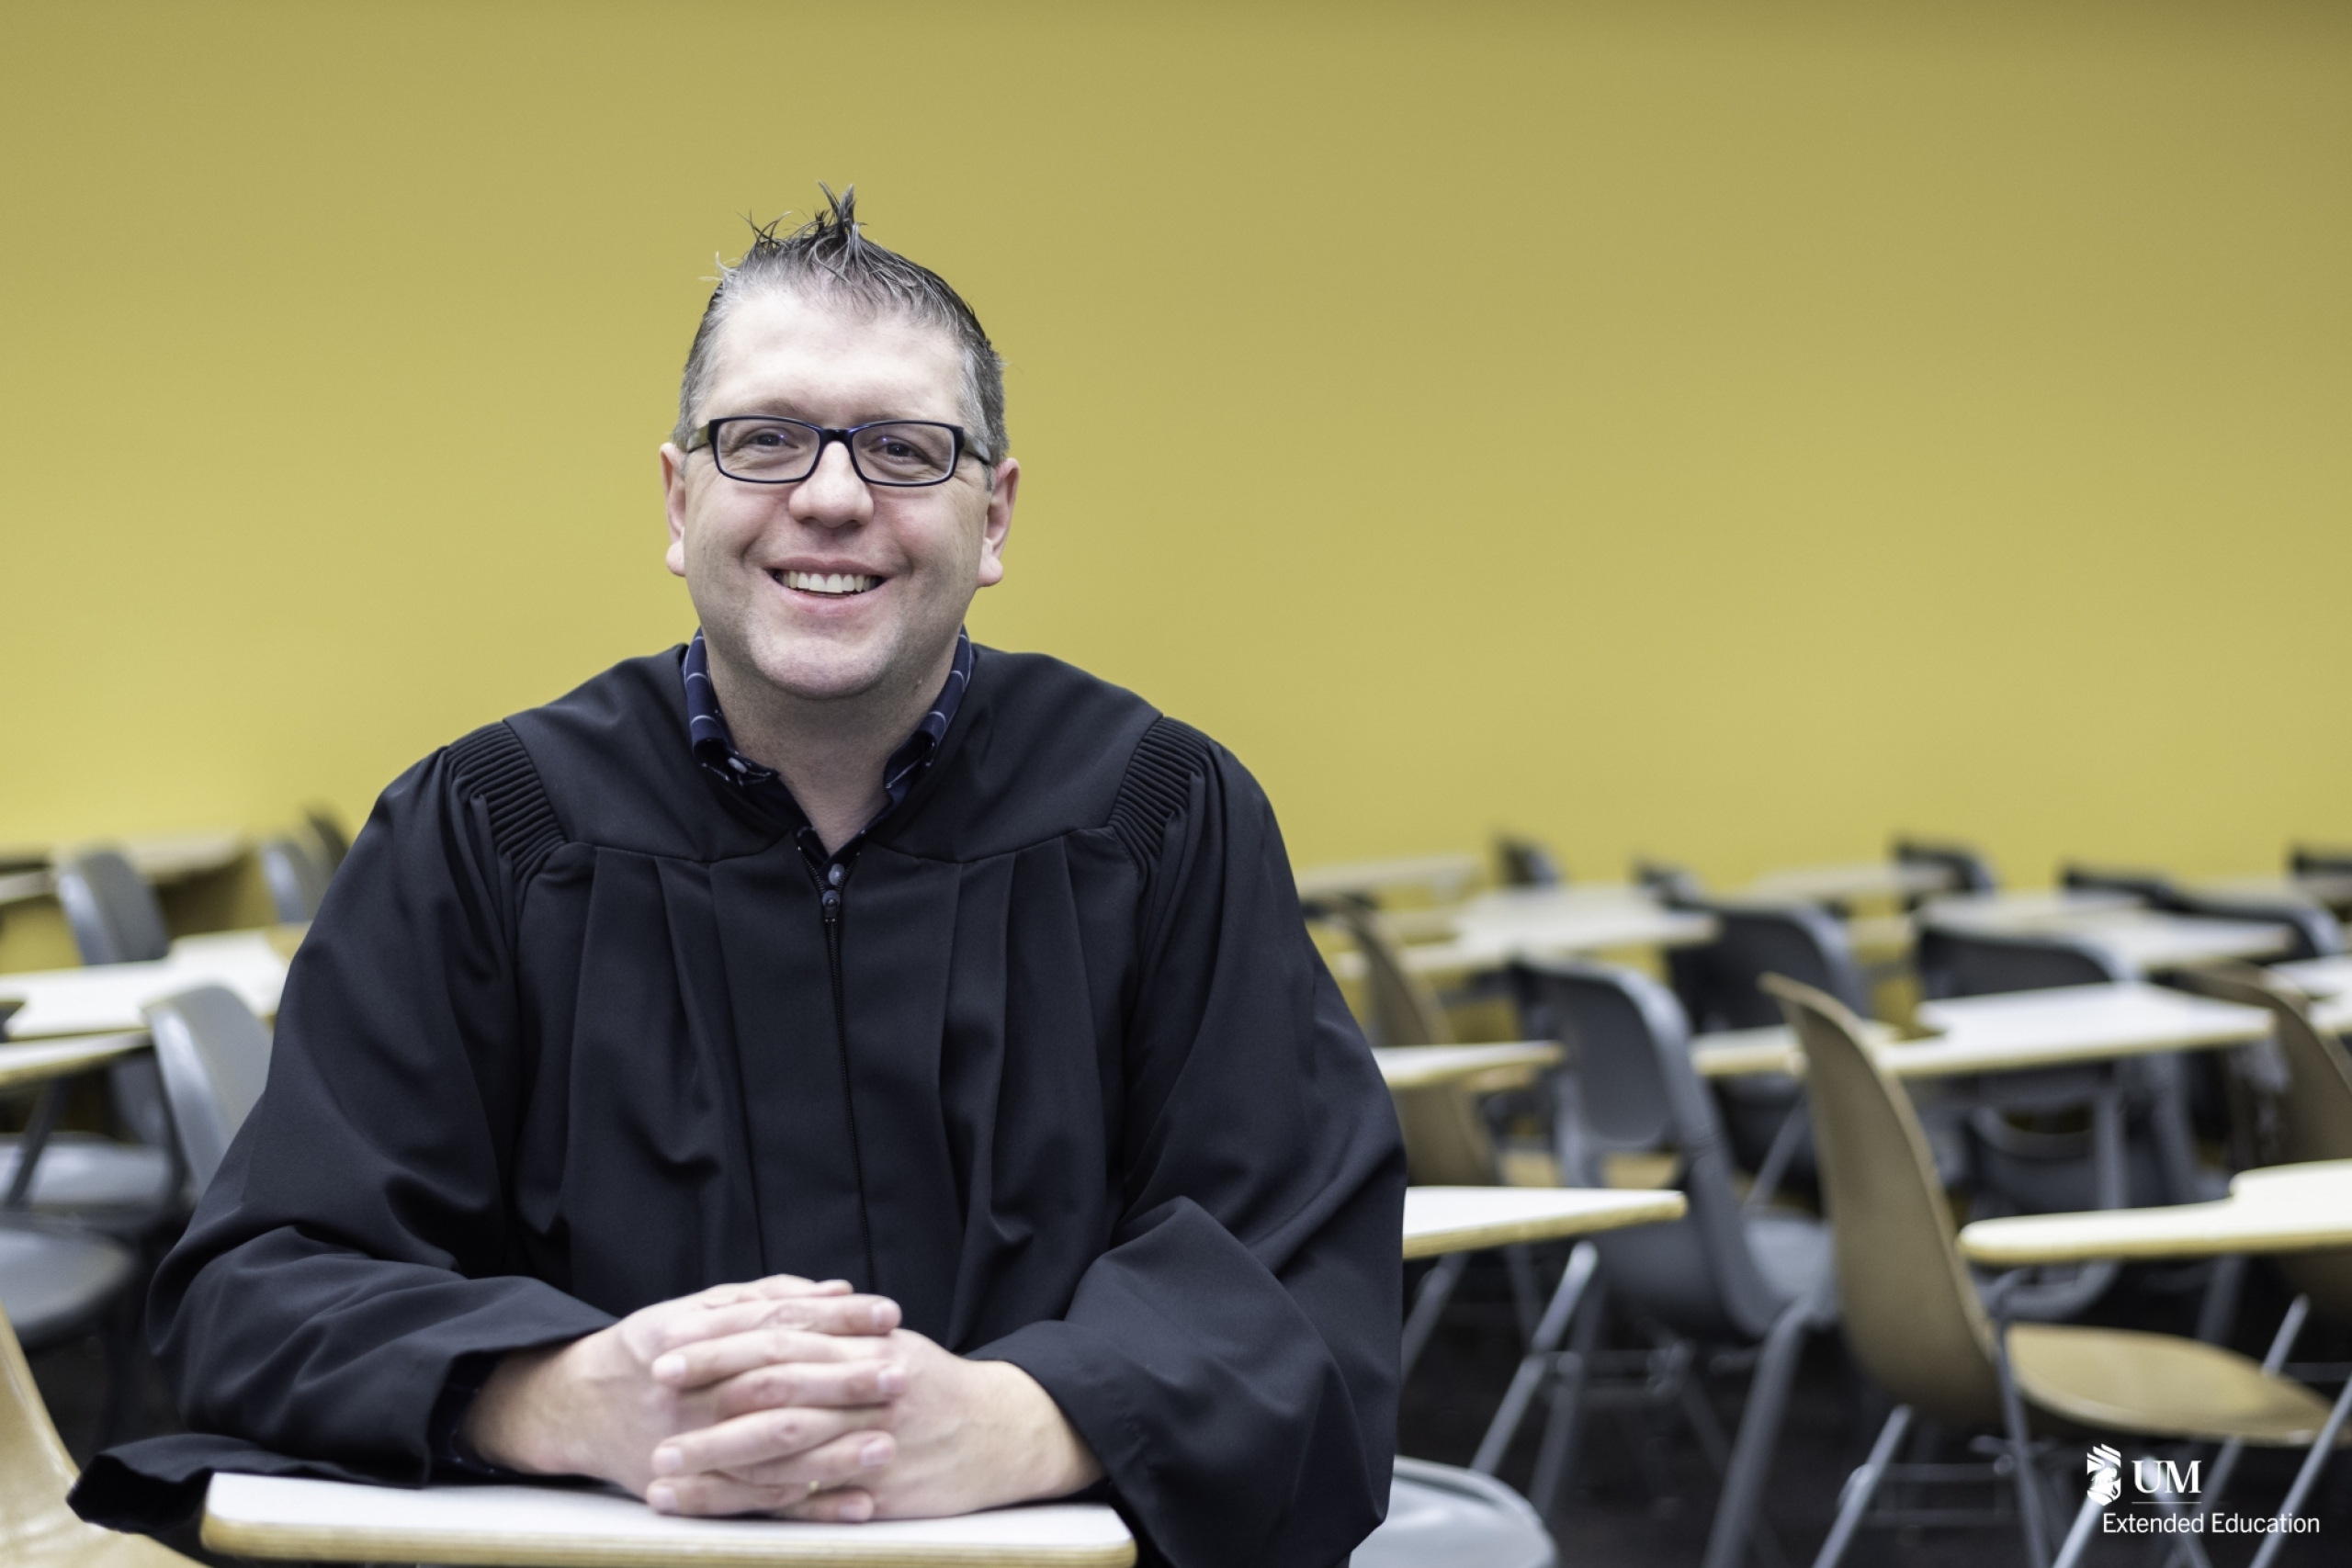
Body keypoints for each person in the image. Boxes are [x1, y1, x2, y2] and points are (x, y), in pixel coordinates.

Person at [73, 188, 1406, 1568]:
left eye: (904, 449)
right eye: (764, 441)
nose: (830, 498)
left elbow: (1301, 1276)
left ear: (994, 515)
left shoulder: (1159, 818)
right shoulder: (485, 830)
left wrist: (1020, 1419)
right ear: (679, 496)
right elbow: (263, 1286)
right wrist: (571, 1399)